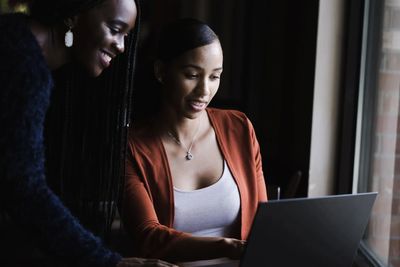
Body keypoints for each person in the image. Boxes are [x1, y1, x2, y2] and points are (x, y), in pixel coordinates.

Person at [0, 0, 176, 266]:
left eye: (126, 36)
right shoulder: (25, 66)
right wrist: (110, 262)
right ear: (74, 14)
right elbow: (24, 189)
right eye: (115, 29)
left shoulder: (15, 38)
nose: (121, 46)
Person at [122, 18, 268, 265]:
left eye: (214, 77)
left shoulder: (239, 128)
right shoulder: (132, 147)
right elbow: (148, 236)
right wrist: (227, 247)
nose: (204, 91)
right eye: (192, 75)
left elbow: (263, 221)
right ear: (161, 71)